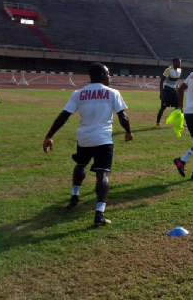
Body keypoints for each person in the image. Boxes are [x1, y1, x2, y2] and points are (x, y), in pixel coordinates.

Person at [42, 62, 133, 226]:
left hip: (84, 138)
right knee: (102, 174)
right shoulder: (113, 93)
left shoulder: (78, 93)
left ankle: (75, 196)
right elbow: (122, 116)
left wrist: (49, 135)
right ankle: (99, 214)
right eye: (107, 73)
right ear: (102, 75)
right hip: (103, 139)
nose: (109, 76)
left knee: (80, 164)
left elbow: (63, 116)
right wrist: (128, 131)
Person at [156, 57, 182, 128]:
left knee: (178, 107)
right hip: (167, 90)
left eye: (180, 62)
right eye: (178, 62)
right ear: (174, 63)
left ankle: (178, 123)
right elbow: (161, 82)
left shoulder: (179, 70)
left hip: (174, 91)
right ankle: (157, 124)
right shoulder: (168, 70)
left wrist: (177, 89)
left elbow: (176, 81)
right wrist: (161, 93)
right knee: (163, 107)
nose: (180, 64)